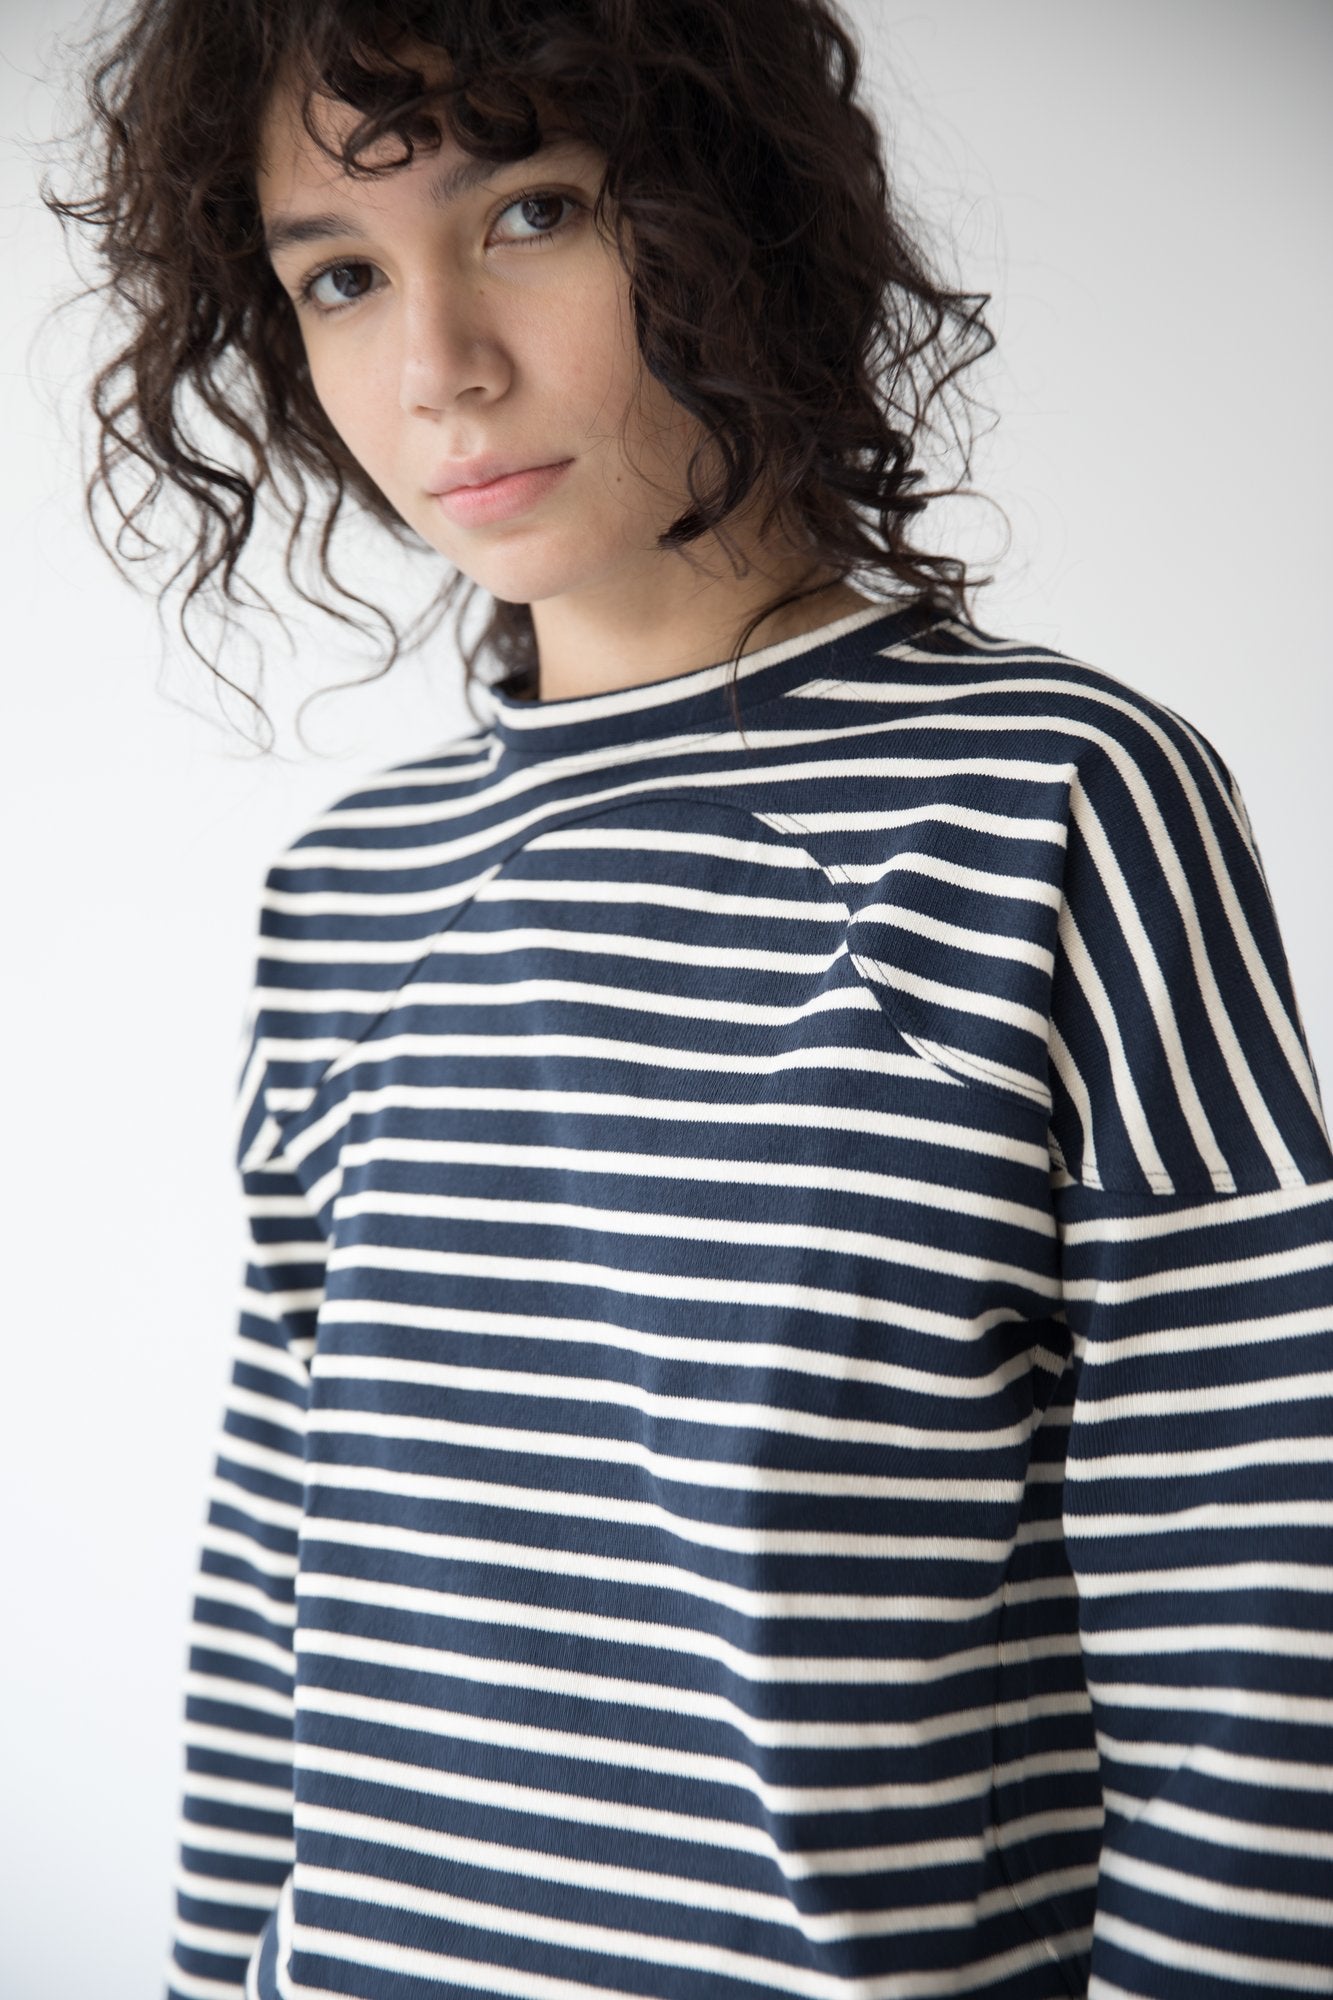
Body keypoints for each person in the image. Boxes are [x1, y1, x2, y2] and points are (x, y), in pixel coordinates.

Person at [45, 4, 1333, 1997]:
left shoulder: (1049, 804)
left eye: (533, 211)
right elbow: (273, 1582)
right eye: (341, 274)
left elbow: (1258, 1589)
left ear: (737, 218)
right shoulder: (350, 893)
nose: (439, 364)